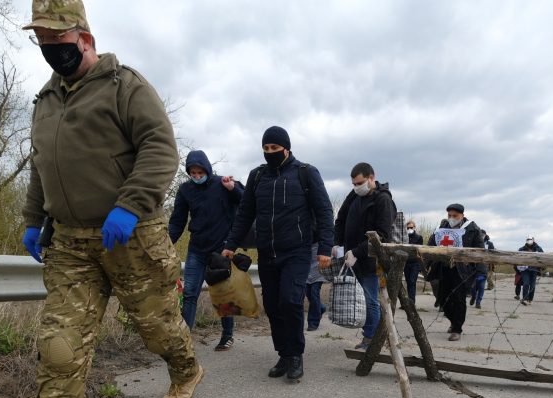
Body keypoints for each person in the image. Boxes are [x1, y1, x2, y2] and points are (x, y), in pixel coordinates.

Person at [0, 0, 202, 398]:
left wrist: (129, 206)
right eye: (41, 41)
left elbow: (160, 149)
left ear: (84, 37)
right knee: (59, 341)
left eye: (57, 40)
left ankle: (186, 368)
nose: (49, 49)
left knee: (157, 329)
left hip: (131, 237)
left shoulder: (126, 86)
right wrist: (33, 218)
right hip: (70, 242)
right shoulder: (45, 102)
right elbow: (42, 167)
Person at [223, 126, 333, 380]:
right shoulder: (257, 176)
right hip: (267, 251)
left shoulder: (306, 173)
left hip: (297, 251)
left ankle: (296, 355)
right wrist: (230, 244)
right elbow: (245, 213)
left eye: (275, 148)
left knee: (291, 301)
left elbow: (325, 211)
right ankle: (283, 353)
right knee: (272, 305)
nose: (270, 152)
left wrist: (325, 248)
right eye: (266, 148)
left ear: (287, 148)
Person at [169, 150, 244, 350]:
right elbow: (177, 220)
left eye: (199, 172)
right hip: (197, 249)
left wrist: (232, 189)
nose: (196, 176)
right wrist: (167, 243)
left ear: (207, 169)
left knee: (223, 294)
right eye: (192, 173)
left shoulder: (222, 184)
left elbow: (246, 203)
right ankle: (184, 340)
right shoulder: (185, 190)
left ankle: (227, 335)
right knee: (191, 293)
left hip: (220, 250)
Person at [334, 162, 395, 350]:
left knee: (369, 300)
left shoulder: (383, 200)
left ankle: (371, 339)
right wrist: (337, 243)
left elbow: (382, 234)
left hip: (370, 260)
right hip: (351, 258)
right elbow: (340, 220)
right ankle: (368, 334)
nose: (356, 187)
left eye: (359, 183)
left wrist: (358, 251)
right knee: (356, 298)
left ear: (371, 178)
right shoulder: (353, 196)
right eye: (353, 183)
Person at [426, 203, 485, 341]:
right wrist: (426, 263)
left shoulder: (472, 229)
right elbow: (430, 245)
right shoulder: (441, 228)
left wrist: (480, 270)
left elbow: (480, 250)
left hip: (463, 271)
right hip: (443, 268)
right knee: (442, 298)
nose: (452, 218)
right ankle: (453, 320)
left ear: (462, 216)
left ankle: (457, 329)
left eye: (455, 216)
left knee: (458, 299)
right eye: (449, 215)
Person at [469, 229, 492, 309]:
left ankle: (478, 302)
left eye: (483, 235)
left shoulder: (489, 244)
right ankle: (473, 297)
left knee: (481, 287)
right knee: (473, 287)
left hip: (483, 268)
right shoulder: (473, 242)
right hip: (473, 268)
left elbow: (493, 255)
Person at [518, 236, 544, 305]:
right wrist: (517, 270)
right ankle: (524, 299)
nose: (529, 241)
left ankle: (530, 299)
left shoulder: (537, 248)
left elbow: (542, 254)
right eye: (528, 240)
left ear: (533, 240)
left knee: (532, 286)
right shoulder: (522, 249)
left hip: (534, 270)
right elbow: (517, 258)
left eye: (531, 240)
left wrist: (536, 245)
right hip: (525, 269)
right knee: (526, 284)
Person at [404, 220, 424, 303]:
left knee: (412, 281)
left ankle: (411, 301)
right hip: (406, 262)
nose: (409, 229)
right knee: (408, 282)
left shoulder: (419, 237)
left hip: (415, 263)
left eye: (411, 227)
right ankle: (409, 300)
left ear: (414, 227)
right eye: (408, 228)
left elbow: (420, 251)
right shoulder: (404, 238)